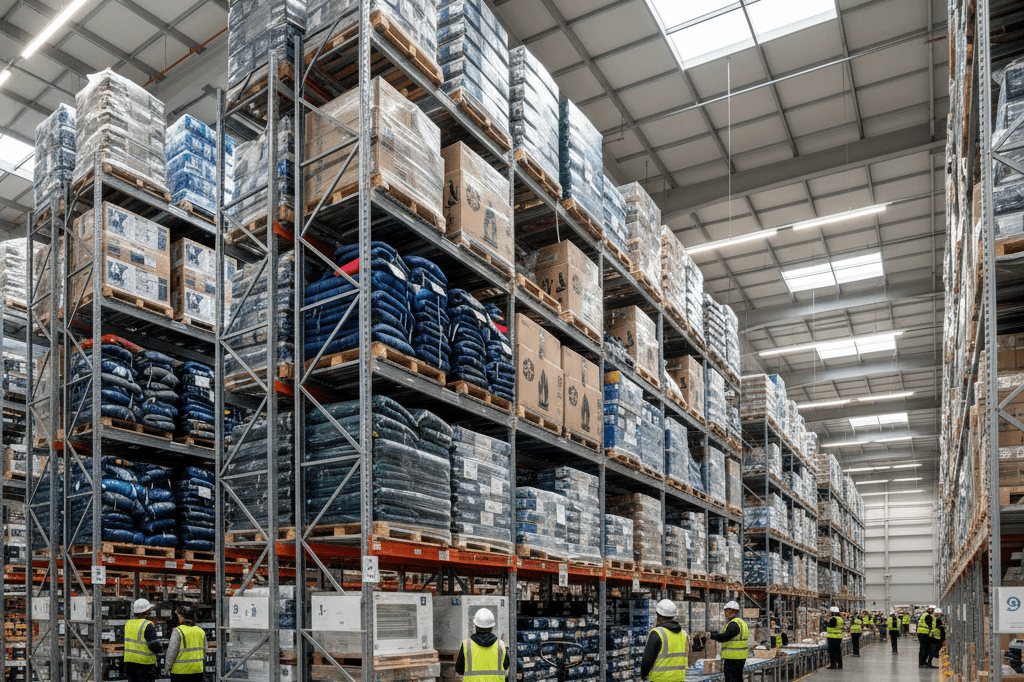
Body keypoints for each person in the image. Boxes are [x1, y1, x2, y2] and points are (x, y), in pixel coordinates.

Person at [455, 608, 510, 680]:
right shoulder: (500, 645)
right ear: (492, 627)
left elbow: (459, 669)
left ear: (476, 626)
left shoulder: (467, 644)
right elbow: (506, 666)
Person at [640, 600, 687, 681]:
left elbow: (648, 658)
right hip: (679, 679)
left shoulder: (657, 633)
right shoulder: (682, 633)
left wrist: (643, 674)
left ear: (658, 614)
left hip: (660, 679)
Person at [707, 600, 748, 682]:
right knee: (738, 678)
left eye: (726, 611)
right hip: (740, 657)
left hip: (733, 658)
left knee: (731, 679)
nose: (725, 613)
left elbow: (725, 637)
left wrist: (712, 636)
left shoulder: (733, 624)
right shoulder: (741, 622)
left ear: (731, 611)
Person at [164, 606, 207, 682]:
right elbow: (205, 651)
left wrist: (167, 668)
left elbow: (171, 653)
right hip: (197, 671)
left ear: (181, 617)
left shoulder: (178, 631)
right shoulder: (201, 631)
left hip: (180, 672)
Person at [124, 598, 162, 682]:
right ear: (147, 610)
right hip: (144, 663)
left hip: (129, 662)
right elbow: (153, 645)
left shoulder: (128, 623)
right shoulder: (148, 625)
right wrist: (160, 649)